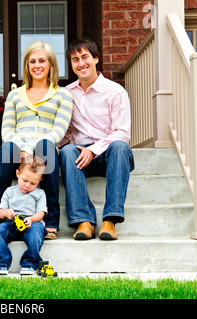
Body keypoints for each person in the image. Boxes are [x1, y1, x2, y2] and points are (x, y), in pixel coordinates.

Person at [0, 40, 73, 241]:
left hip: (44, 152)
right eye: (32, 61)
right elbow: (7, 128)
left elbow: (59, 131)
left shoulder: (63, 95)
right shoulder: (15, 95)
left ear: (50, 64)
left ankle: (50, 224)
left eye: (42, 60)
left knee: (45, 146)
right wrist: (23, 148)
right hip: (18, 151)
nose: (37, 65)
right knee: (7, 147)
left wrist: (33, 149)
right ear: (27, 65)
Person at [59, 39, 135, 241]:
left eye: (85, 57)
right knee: (66, 151)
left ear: (95, 59)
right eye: (75, 59)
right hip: (81, 158)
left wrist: (93, 149)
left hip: (110, 155)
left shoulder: (115, 91)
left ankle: (110, 221)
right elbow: (65, 132)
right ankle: (83, 221)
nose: (81, 63)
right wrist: (43, 145)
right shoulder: (67, 94)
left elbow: (122, 132)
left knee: (120, 146)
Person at [0, 157, 47, 275]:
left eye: (33, 183)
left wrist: (31, 219)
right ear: (17, 173)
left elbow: (41, 213)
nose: (27, 186)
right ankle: (2, 263)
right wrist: (6, 213)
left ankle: (29, 263)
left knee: (37, 232)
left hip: (31, 224)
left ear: (40, 180)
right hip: (11, 223)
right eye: (25, 180)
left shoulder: (40, 194)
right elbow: (0, 213)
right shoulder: (9, 191)